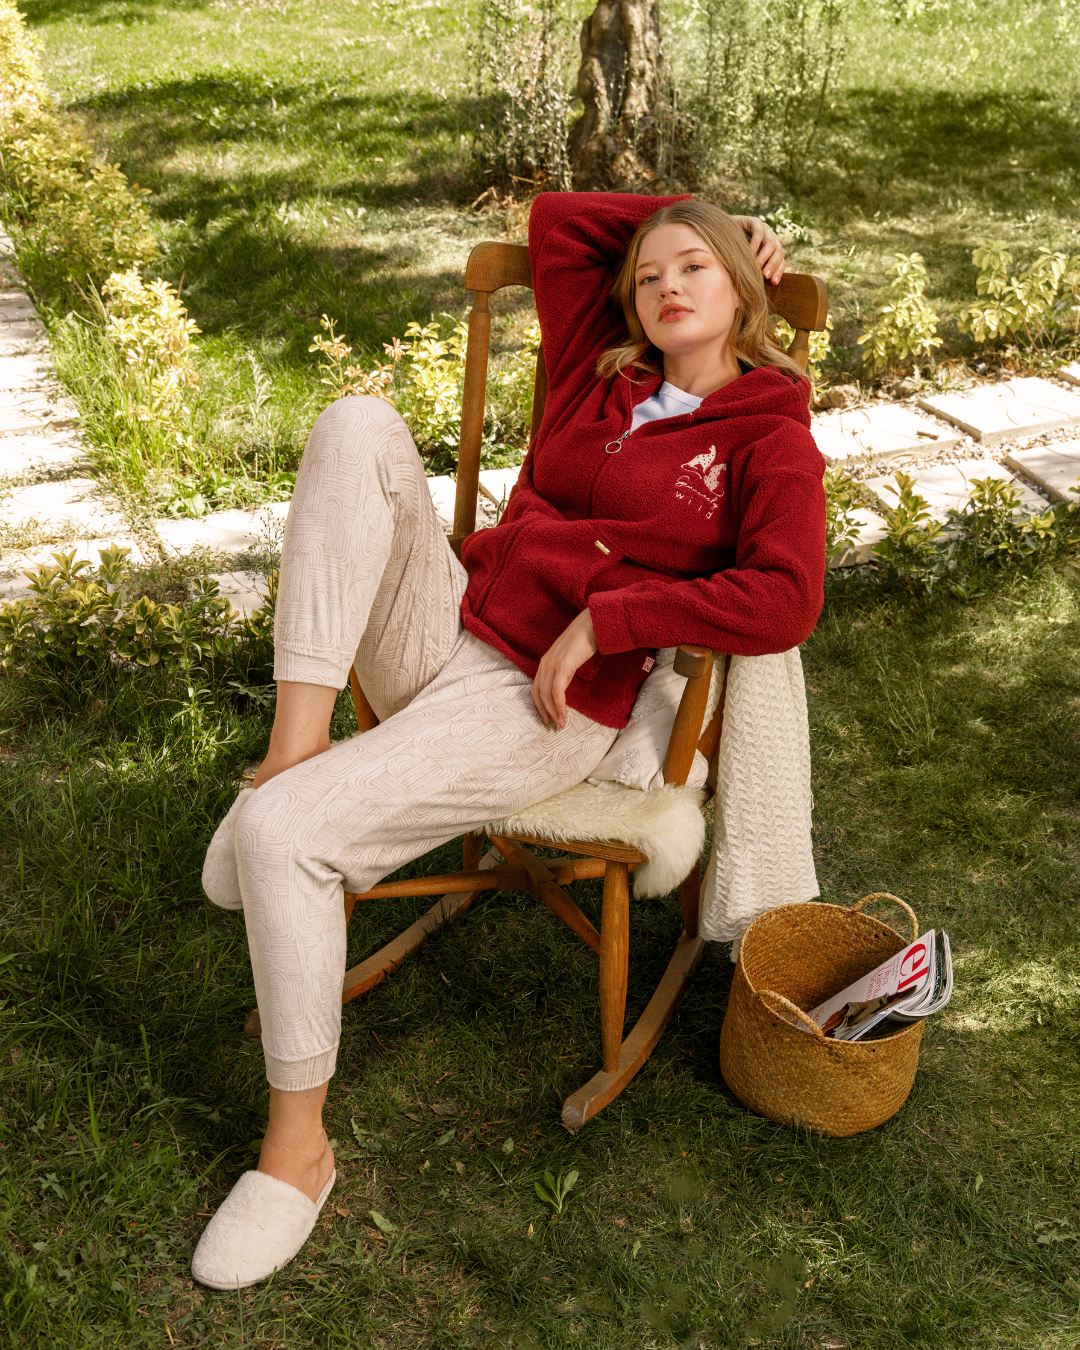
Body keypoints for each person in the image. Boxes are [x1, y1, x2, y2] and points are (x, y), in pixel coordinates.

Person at [191, 193, 826, 1289]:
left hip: (546, 704)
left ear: (742, 286)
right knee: (356, 424)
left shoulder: (767, 434)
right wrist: (716, 214)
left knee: (285, 841)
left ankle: (298, 1155)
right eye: (649, 275)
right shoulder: (599, 368)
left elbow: (785, 596)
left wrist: (613, 620)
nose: (666, 287)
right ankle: (292, 756)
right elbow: (562, 221)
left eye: (696, 267)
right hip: (447, 623)